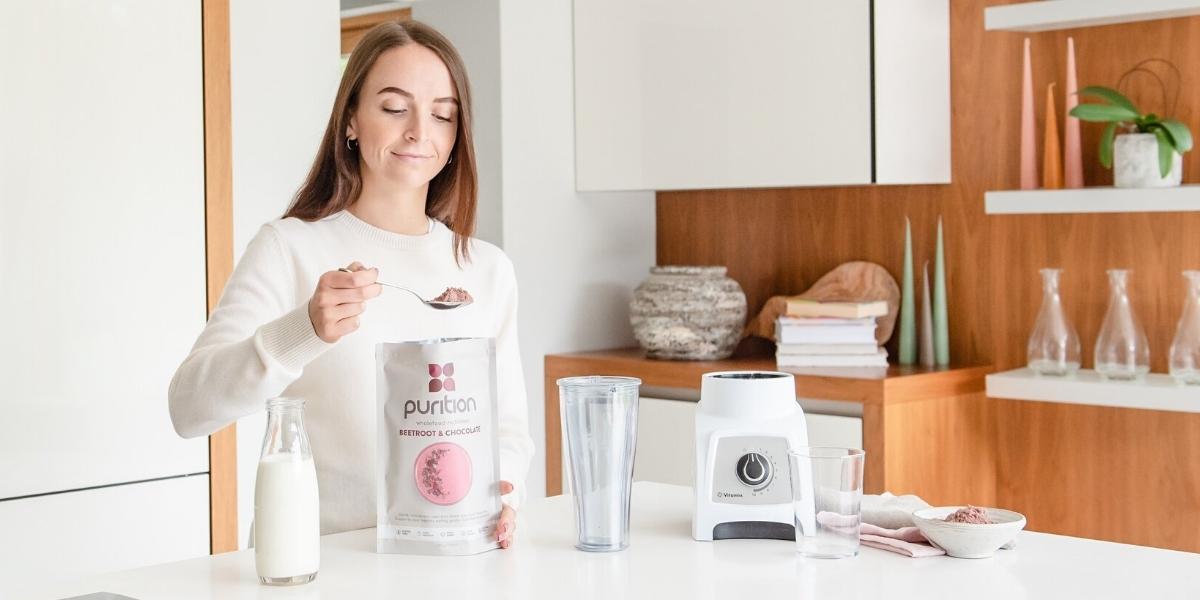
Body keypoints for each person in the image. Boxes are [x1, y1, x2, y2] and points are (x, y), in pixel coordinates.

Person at [168, 20, 533, 549]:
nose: (419, 132)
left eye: (442, 114)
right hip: (320, 568)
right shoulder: (290, 247)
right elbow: (188, 408)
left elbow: (509, 430)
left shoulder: (488, 269)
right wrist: (304, 331)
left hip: (458, 561)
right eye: (393, 107)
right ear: (351, 122)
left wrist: (507, 494)